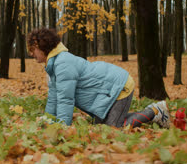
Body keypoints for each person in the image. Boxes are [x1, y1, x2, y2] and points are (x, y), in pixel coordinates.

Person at [27, 28, 170, 128]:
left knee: (113, 128)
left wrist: (62, 128)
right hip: (107, 92)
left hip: (119, 87)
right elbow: (54, 98)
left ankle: (155, 111)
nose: (32, 54)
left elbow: (66, 99)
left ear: (42, 46)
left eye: (33, 50)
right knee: (100, 127)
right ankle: (153, 115)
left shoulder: (63, 64)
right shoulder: (53, 66)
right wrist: (47, 121)